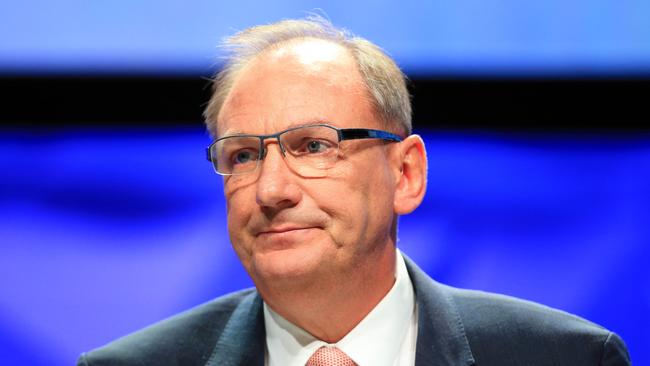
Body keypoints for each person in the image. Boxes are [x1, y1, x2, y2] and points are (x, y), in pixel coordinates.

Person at [77, 17, 631, 366]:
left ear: (406, 173)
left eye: (314, 146)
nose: (271, 189)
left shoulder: (564, 356)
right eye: (243, 155)